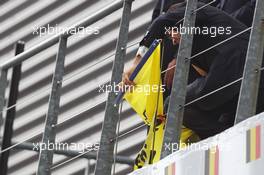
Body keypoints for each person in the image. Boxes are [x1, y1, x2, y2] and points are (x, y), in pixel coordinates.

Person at [122, 2, 264, 139]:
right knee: (223, 118)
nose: (172, 38)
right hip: (244, 75)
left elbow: (161, 21)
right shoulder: (203, 37)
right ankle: (228, 137)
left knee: (173, 103)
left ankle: (226, 138)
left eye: (172, 31)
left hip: (235, 65)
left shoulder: (192, 8)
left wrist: (136, 64)